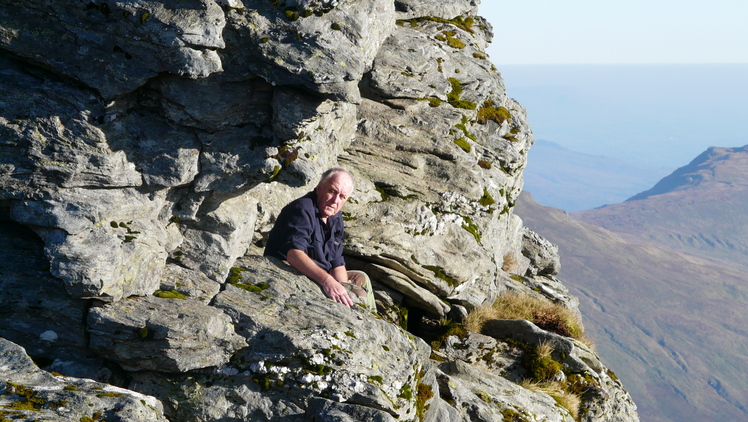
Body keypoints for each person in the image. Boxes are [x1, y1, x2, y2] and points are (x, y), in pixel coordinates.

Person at [264, 168, 376, 311]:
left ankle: (370, 317)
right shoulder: (302, 210)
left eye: (342, 197)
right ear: (319, 188)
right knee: (359, 294)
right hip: (292, 271)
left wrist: (342, 287)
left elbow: (336, 261)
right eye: (332, 191)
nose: (335, 200)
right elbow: (293, 255)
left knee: (361, 278)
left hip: (322, 273)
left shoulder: (335, 217)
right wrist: (328, 282)